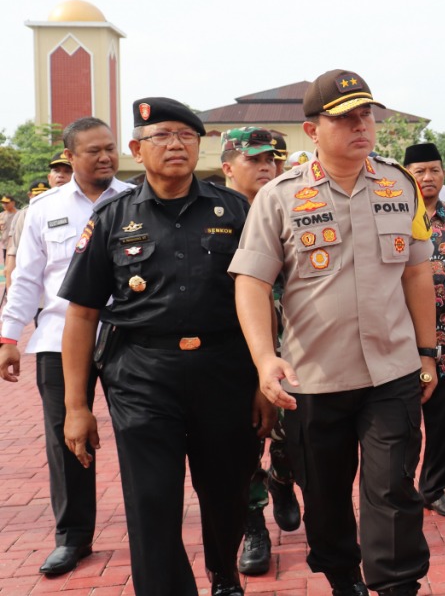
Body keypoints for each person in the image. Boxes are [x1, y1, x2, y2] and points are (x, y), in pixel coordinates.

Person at [230, 70, 436, 596]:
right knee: (323, 494)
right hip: (314, 377)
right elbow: (252, 283)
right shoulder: (278, 197)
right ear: (312, 129)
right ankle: (344, 578)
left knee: (391, 487)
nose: (360, 126)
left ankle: (395, 586)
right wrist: (263, 359)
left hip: (392, 370)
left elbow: (416, 272)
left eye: (365, 114)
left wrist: (427, 352)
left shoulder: (399, 183)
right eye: (344, 118)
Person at [59, 99, 265, 596]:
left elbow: (261, 299)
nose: (176, 145)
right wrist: (75, 406)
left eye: (186, 136)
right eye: (162, 136)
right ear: (137, 149)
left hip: (225, 371)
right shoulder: (112, 216)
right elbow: (83, 312)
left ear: (201, 146)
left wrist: (264, 377)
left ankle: (223, 573)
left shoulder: (235, 210)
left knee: (226, 492)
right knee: (151, 500)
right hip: (142, 375)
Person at [0, 119, 130, 577]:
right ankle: (72, 537)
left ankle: (148, 526)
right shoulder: (43, 208)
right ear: (70, 157)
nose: (104, 158)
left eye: (110, 149)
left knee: (141, 433)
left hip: (125, 337)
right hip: (58, 339)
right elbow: (27, 279)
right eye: (93, 151)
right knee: (67, 438)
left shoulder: (136, 200)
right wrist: (9, 336)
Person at [218, 127, 302, 576]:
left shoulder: (292, 206)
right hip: (234, 354)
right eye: (254, 159)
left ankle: (283, 479)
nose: (267, 166)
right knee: (244, 442)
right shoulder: (213, 216)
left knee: (294, 432)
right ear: (229, 166)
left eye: (272, 158)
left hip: (293, 348)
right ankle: (255, 526)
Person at [400, 142, 445, 522]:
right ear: (406, 175)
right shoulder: (394, 217)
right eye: (419, 171)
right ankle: (401, 488)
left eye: (434, 170)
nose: (427, 178)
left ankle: (435, 488)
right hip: (404, 343)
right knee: (404, 423)